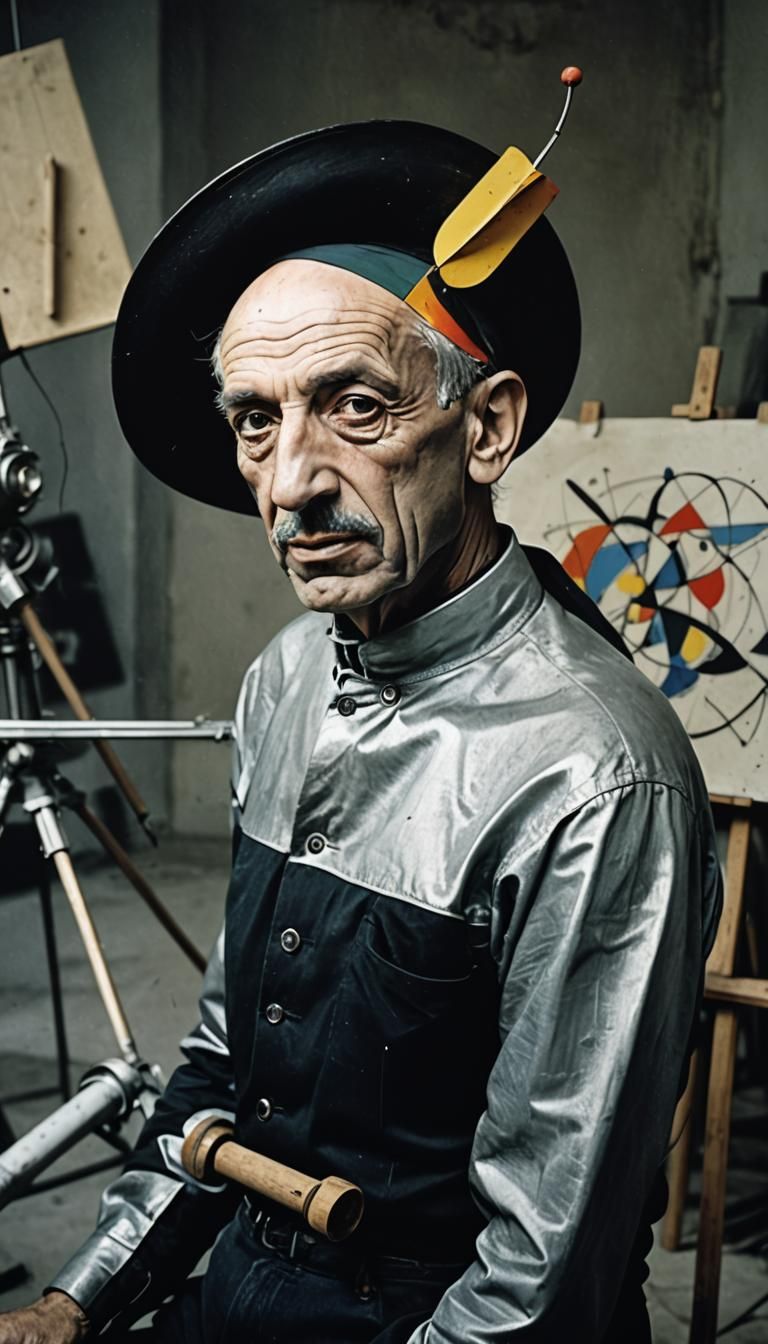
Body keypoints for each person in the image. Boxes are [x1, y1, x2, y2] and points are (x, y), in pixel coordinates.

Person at [0, 118, 721, 1343]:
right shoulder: (286, 677)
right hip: (242, 1288)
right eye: (256, 421)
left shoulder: (597, 777)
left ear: (486, 428)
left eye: (354, 407)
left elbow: (540, 1276)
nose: (291, 482)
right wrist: (82, 1296)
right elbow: (223, 1067)